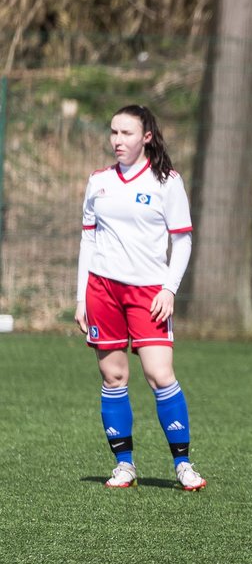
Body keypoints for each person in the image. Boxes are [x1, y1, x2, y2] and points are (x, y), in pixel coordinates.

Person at [75, 104, 206, 491]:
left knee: (159, 374)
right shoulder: (98, 181)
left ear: (146, 137)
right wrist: (80, 295)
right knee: (114, 377)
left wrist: (169, 288)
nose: (117, 140)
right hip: (102, 289)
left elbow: (182, 240)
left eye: (126, 133)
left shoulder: (167, 182)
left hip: (148, 292)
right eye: (113, 132)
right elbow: (88, 238)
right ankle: (124, 464)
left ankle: (182, 464)